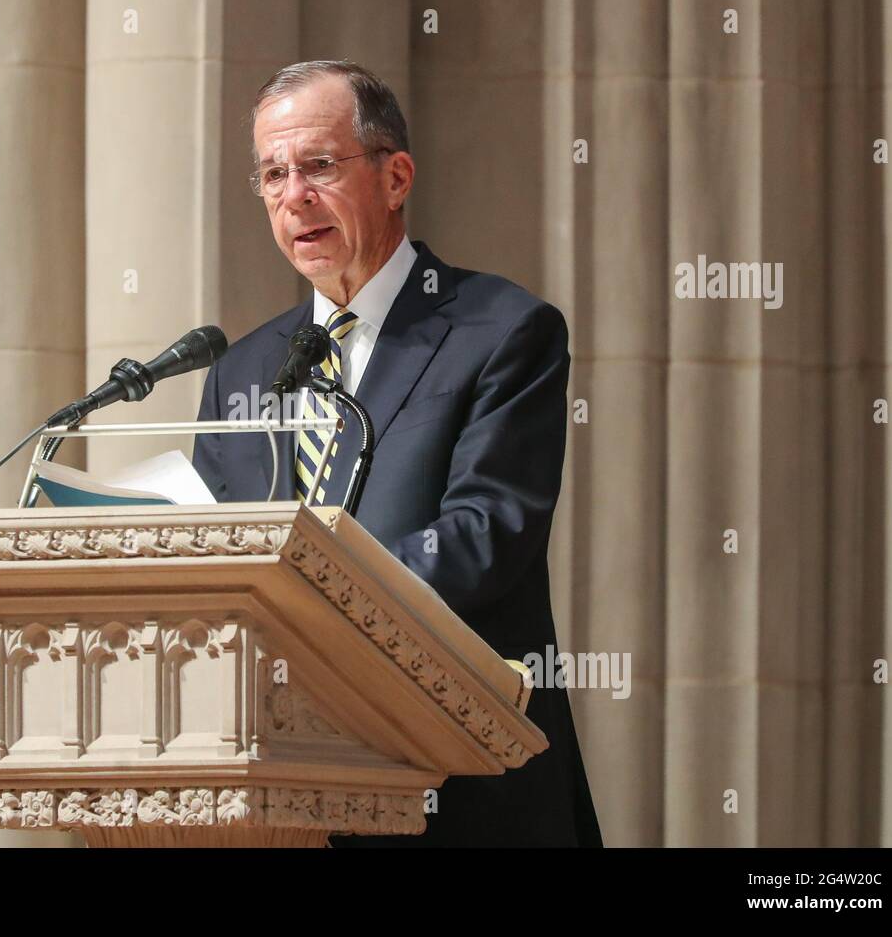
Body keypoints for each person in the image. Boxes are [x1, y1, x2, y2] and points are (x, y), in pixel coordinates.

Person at [192, 59, 602, 847]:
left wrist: (307, 597)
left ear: (396, 176)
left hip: (458, 788)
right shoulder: (241, 371)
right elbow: (217, 550)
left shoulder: (502, 331)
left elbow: (485, 535)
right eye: (273, 174)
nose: (293, 196)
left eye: (318, 165)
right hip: (279, 790)